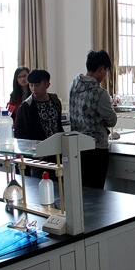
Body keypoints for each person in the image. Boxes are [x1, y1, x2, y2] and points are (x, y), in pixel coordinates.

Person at [69, 50, 118, 190]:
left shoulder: (74, 84)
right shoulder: (100, 93)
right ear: (101, 69)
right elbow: (112, 120)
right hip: (96, 148)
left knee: (82, 189)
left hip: (77, 145)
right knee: (96, 191)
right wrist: (102, 120)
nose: (105, 75)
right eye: (106, 71)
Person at [14, 69, 64, 179]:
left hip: (57, 153)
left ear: (47, 85)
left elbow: (58, 125)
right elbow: (19, 134)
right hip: (39, 157)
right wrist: (34, 153)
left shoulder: (55, 101)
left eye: (37, 85)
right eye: (31, 85)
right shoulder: (26, 107)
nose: (34, 89)